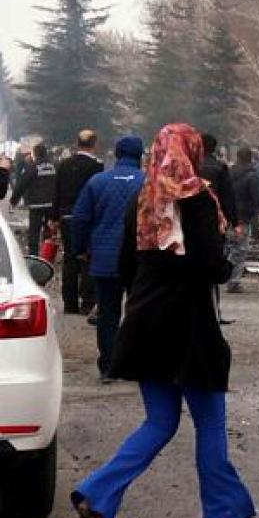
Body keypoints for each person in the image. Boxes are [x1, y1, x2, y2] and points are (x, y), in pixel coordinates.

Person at [71, 124, 255, 518]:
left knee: (158, 422)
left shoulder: (144, 198)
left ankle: (97, 496)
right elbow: (210, 263)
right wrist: (224, 268)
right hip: (189, 328)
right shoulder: (198, 198)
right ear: (191, 152)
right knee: (210, 424)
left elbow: (125, 264)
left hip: (145, 325)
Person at [70, 136, 146, 382]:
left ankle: (109, 366)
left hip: (105, 256)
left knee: (108, 313)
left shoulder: (98, 182)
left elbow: (81, 218)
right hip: (140, 259)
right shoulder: (149, 183)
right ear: (140, 155)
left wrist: (80, 248)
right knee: (139, 311)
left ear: (115, 154)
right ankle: (135, 362)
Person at [51, 129, 105, 314]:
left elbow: (56, 191)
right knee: (87, 257)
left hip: (66, 216)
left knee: (69, 258)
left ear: (77, 143)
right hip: (88, 217)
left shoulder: (64, 164)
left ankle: (70, 302)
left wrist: (53, 217)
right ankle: (88, 302)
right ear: (94, 144)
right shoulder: (96, 167)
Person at [226, 147, 259, 294]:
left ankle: (223, 275)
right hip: (242, 217)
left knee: (228, 247)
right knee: (239, 249)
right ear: (251, 159)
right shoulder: (251, 176)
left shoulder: (227, 173)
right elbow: (258, 198)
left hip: (226, 215)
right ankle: (233, 281)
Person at [10, 143, 57, 256]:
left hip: (36, 205)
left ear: (35, 153)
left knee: (34, 232)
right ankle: (47, 254)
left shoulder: (33, 167)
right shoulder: (55, 165)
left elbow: (22, 184)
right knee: (49, 229)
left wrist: (14, 200)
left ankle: (34, 256)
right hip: (52, 204)